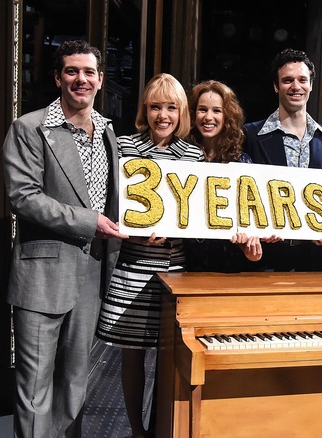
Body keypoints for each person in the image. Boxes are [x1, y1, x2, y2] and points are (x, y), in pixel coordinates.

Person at [2, 40, 126, 437]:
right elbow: (23, 197)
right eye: (72, 71)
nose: (81, 79)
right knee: (35, 387)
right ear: (58, 77)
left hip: (91, 274)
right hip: (43, 274)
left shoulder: (109, 132)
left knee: (74, 384)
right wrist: (90, 221)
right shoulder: (30, 127)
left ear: (101, 80)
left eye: (89, 72)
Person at [94, 73, 204, 438]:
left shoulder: (193, 153)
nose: (163, 115)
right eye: (156, 106)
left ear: (181, 112)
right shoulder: (124, 146)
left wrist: (172, 229)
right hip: (133, 266)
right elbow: (111, 203)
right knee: (132, 355)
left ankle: (162, 429)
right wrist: (134, 229)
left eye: (171, 107)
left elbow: (197, 212)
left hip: (175, 268)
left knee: (171, 356)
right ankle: (136, 431)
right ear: (145, 109)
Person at [243, 48, 322, 270]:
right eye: (287, 80)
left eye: (302, 80)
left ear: (311, 85)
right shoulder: (251, 135)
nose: (295, 86)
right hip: (265, 256)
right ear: (276, 86)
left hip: (314, 258)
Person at [185, 79, 280, 270]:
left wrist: (250, 244)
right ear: (193, 114)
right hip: (185, 267)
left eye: (216, 111)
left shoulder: (241, 163)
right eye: (203, 110)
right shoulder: (182, 159)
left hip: (229, 270)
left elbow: (251, 221)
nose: (208, 117)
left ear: (227, 116)